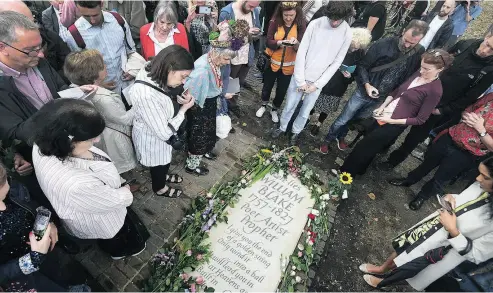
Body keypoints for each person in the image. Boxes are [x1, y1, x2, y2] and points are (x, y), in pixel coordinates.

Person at [32, 99, 148, 260]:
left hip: (89, 206)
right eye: (90, 138)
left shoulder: (43, 144)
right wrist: (126, 193)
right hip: (101, 217)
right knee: (119, 237)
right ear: (69, 141)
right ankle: (122, 251)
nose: (97, 140)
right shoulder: (76, 183)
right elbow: (111, 200)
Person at [359, 157, 493, 291]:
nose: (478, 178)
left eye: (485, 177)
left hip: (443, 251)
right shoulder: (481, 186)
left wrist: (453, 231)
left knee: (411, 270)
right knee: (404, 247)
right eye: (479, 173)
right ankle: (382, 269)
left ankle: (385, 282)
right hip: (433, 227)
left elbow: (477, 255)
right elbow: (465, 199)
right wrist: (451, 197)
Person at [379, 25, 493, 171]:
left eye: (492, 50)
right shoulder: (466, 44)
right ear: (487, 36)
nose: (485, 51)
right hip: (421, 94)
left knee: (414, 138)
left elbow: (471, 96)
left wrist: (443, 110)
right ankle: (383, 145)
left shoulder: (489, 70)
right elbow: (439, 60)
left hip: (438, 107)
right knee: (398, 121)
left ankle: (392, 162)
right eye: (487, 44)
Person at [340, 49, 453, 176]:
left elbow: (420, 119)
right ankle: (360, 170)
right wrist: (383, 106)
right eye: (421, 67)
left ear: (440, 69)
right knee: (370, 145)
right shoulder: (418, 74)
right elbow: (397, 91)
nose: (422, 71)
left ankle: (345, 173)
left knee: (363, 147)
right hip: (384, 113)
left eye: (427, 69)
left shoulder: (435, 91)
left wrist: (391, 120)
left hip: (394, 124)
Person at [320, 20, 428, 152]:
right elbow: (363, 66)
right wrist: (367, 85)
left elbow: (408, 76)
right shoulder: (383, 44)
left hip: (383, 97)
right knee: (344, 118)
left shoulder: (419, 52)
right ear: (404, 31)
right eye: (406, 40)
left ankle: (341, 136)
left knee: (356, 119)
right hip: (364, 91)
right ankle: (328, 139)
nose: (407, 44)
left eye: (413, 43)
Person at [389, 91, 493, 210]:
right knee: (427, 163)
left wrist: (481, 130)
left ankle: (422, 196)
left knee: (441, 177)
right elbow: (468, 109)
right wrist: (466, 116)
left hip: (467, 153)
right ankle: (409, 180)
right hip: (450, 137)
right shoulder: (490, 97)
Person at [0, 163, 92, 292]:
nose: (9, 185)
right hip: (26, 276)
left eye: (6, 180)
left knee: (71, 274)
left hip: (48, 247)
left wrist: (47, 220)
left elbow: (29, 202)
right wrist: (32, 260)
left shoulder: (8, 184)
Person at [271, 1, 353, 145]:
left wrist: (318, 84)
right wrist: (300, 79)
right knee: (290, 104)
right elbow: (302, 51)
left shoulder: (347, 32)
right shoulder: (316, 24)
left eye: (338, 20)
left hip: (318, 81)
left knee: (305, 110)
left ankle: (296, 132)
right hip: (301, 75)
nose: (334, 23)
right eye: (331, 18)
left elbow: (337, 62)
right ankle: (282, 127)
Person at [130, 45, 195, 197]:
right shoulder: (146, 95)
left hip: (159, 135)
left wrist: (179, 97)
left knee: (164, 162)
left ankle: (163, 177)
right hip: (153, 140)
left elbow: (164, 93)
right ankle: (159, 188)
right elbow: (165, 133)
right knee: (159, 164)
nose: (184, 81)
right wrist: (184, 109)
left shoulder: (152, 69)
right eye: (183, 76)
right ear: (169, 69)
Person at [63, 49, 138, 176]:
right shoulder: (104, 99)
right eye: (103, 65)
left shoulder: (77, 89)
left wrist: (101, 85)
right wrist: (140, 103)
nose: (106, 66)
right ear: (94, 74)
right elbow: (125, 119)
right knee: (117, 163)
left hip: (101, 135)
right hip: (113, 137)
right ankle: (124, 181)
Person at [184, 20, 242, 176]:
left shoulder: (213, 60)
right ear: (217, 53)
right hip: (200, 108)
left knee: (208, 132)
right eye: (226, 59)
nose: (227, 63)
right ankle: (192, 164)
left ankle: (204, 151)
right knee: (199, 135)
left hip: (209, 103)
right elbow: (193, 96)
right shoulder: (202, 69)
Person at [309, 28, 373, 136]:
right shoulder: (339, 44)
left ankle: (318, 124)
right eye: (353, 45)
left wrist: (350, 76)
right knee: (314, 100)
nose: (355, 48)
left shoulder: (360, 53)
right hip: (326, 79)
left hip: (339, 84)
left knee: (328, 105)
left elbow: (358, 70)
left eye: (358, 46)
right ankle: (309, 117)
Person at [66, 0, 137, 94]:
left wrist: (133, 69)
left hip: (130, 86)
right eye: (86, 16)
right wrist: (97, 86)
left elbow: (130, 50)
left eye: (95, 15)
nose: (92, 20)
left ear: (102, 4)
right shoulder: (73, 34)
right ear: (77, 8)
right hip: (103, 94)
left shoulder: (118, 20)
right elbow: (77, 74)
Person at [255, 2, 306, 123]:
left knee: (281, 91)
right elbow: (268, 41)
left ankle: (275, 109)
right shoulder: (275, 21)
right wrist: (279, 43)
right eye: (285, 15)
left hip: (289, 66)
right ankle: (263, 104)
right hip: (272, 63)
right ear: (281, 13)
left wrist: (296, 44)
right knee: (267, 87)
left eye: (291, 15)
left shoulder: (301, 24)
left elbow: (302, 47)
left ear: (296, 14)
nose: (288, 18)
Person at [0, 0, 71, 80]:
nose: (41, 55)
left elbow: (68, 63)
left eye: (33, 22)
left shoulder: (50, 37)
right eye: (22, 25)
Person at [219, 0, 261, 88]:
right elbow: (223, 41)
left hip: (247, 57)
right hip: (232, 59)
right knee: (230, 89)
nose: (252, 9)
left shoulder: (255, 11)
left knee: (238, 86)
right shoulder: (227, 12)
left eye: (255, 7)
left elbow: (258, 29)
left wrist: (256, 33)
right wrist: (246, 33)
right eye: (251, 6)